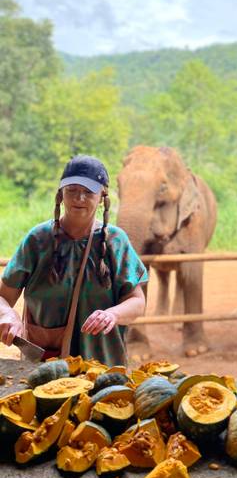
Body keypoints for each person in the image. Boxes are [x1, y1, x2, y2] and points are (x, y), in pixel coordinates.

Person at [0, 155, 147, 366]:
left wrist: (113, 314)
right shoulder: (38, 239)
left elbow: (137, 302)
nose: (79, 198)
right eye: (72, 190)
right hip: (45, 368)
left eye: (88, 192)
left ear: (102, 194)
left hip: (103, 367)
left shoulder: (116, 241)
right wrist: (7, 315)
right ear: (61, 193)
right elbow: (2, 298)